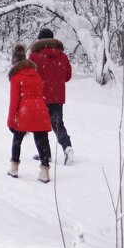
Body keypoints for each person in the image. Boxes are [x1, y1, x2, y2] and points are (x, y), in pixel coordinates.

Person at [7, 43, 52, 183]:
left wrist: (10, 121)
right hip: (40, 108)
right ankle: (45, 171)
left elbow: (14, 101)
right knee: (41, 141)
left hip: (25, 111)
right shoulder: (35, 74)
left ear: (14, 60)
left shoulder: (16, 77)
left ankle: (14, 168)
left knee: (17, 139)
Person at [29, 28, 74, 164]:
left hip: (40, 96)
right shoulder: (62, 56)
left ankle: (45, 154)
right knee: (57, 124)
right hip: (57, 96)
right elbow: (67, 76)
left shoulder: (34, 56)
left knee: (40, 126)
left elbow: (30, 76)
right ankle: (67, 148)